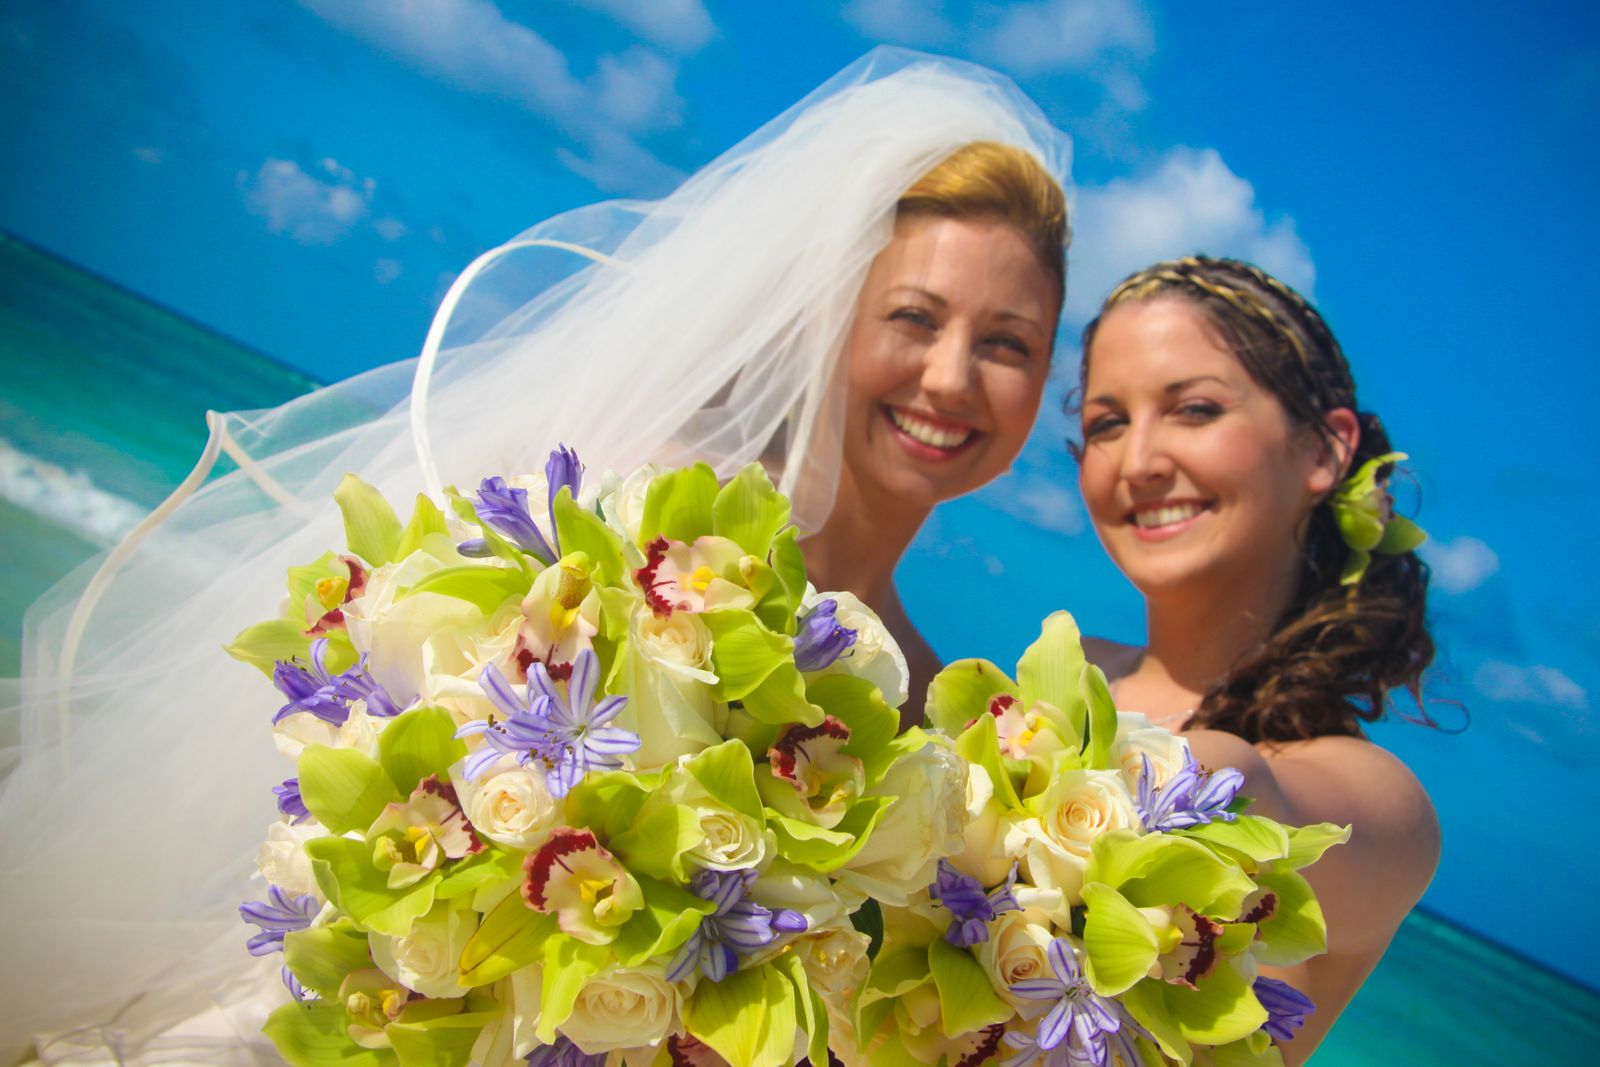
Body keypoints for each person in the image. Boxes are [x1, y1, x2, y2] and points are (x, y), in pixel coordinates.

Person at [0, 48, 1071, 1063]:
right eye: (914, 317)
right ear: (834, 314)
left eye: (1006, 343)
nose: (949, 377)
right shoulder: (647, 515)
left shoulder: (928, 698)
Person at [1072, 255, 1440, 1064]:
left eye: (1194, 409)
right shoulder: (1058, 674)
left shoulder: (1372, 799)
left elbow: (1247, 798)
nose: (1138, 461)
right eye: (1105, 423)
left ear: (1323, 449)